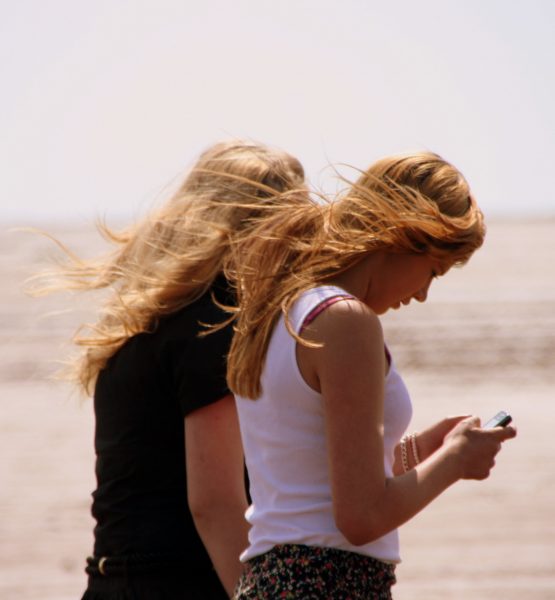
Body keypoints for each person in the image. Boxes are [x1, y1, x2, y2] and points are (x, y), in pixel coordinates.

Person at [224, 151, 517, 599]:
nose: (422, 294)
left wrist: (418, 451)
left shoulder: (281, 309)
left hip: (271, 580)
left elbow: (306, 470)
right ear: (403, 234)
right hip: (327, 583)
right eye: (433, 271)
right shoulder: (346, 320)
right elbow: (361, 518)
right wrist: (454, 461)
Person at [35, 140, 306, 599]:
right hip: (178, 582)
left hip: (111, 578)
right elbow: (215, 505)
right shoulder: (214, 324)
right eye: (293, 230)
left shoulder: (147, 321)